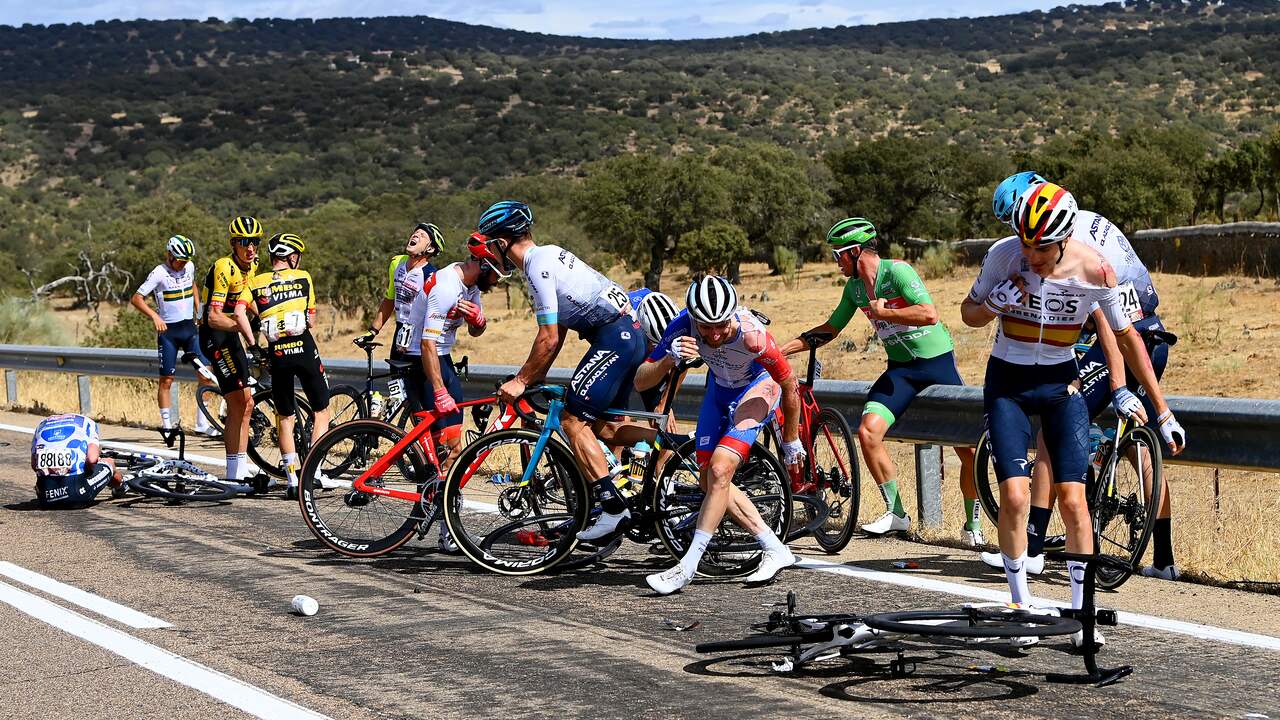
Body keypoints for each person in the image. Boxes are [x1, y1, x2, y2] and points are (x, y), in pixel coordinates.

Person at [960, 181, 1185, 647]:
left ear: (1065, 240)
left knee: (1074, 500)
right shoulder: (1005, 255)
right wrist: (994, 302)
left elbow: (1124, 336)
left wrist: (1159, 409)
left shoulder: (1095, 270)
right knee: (1016, 498)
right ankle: (1020, 605)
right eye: (1025, 243)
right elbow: (968, 314)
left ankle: (1083, 616)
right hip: (1008, 383)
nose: (1031, 255)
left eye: (1041, 248)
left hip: (1062, 385)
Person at [781, 218, 983, 545]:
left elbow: (928, 314)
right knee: (868, 432)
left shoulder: (898, 272)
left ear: (856, 251)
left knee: (969, 452)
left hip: (937, 364)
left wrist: (886, 313)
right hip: (901, 370)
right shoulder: (855, 289)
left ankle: (973, 524)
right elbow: (831, 328)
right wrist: (783, 349)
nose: (836, 263)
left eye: (839, 255)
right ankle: (897, 513)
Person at [468, 200, 648, 543]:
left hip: (614, 337)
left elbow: (549, 338)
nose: (489, 253)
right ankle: (669, 451)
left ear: (502, 244)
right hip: (628, 333)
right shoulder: (549, 254)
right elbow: (559, 331)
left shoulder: (536, 267)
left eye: (490, 244)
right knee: (608, 429)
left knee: (571, 421)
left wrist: (521, 381)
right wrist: (533, 375)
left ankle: (613, 508)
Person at [637, 276, 804, 594]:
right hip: (719, 392)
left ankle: (687, 566)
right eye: (705, 327)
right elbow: (640, 381)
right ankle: (774, 547)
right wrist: (668, 359)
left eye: (721, 326)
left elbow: (789, 384)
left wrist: (790, 439)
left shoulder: (753, 336)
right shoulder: (682, 325)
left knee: (720, 469)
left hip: (758, 388)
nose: (713, 335)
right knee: (709, 481)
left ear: (732, 315)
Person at [237, 233, 332, 500]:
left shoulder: (256, 282)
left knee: (285, 417)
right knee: (321, 411)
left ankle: (292, 480)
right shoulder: (304, 277)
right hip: (304, 348)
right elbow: (311, 321)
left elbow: (239, 312)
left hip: (277, 353)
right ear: (292, 257)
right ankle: (312, 475)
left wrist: (253, 342)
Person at [198, 216, 263, 486]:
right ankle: (234, 473)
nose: (250, 248)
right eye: (244, 243)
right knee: (238, 402)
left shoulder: (254, 265)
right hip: (214, 335)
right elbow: (213, 317)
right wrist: (245, 329)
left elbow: (249, 304)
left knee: (247, 404)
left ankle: (239, 469)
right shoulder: (224, 267)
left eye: (255, 242)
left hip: (233, 332)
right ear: (233, 244)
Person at [130, 235, 216, 437]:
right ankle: (167, 425)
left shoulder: (189, 267)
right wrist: (154, 316)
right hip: (168, 333)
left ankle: (202, 424)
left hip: (190, 330)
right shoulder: (159, 273)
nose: (183, 264)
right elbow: (136, 298)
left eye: (186, 260)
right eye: (180, 260)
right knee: (167, 380)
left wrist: (199, 309)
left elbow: (193, 285)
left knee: (206, 375)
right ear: (169, 255)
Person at [355, 223, 442, 414]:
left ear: (430, 248)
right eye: (415, 233)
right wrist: (373, 330)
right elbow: (389, 299)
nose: (415, 236)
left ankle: (423, 435)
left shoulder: (432, 275)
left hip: (420, 336)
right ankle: (390, 426)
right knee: (397, 385)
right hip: (400, 331)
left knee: (419, 391)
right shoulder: (397, 263)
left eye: (422, 236)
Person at [31, 413, 125, 508]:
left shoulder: (41, 426)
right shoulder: (87, 423)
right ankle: (121, 486)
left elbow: (34, 465)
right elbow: (92, 460)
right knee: (108, 461)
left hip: (45, 498)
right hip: (77, 494)